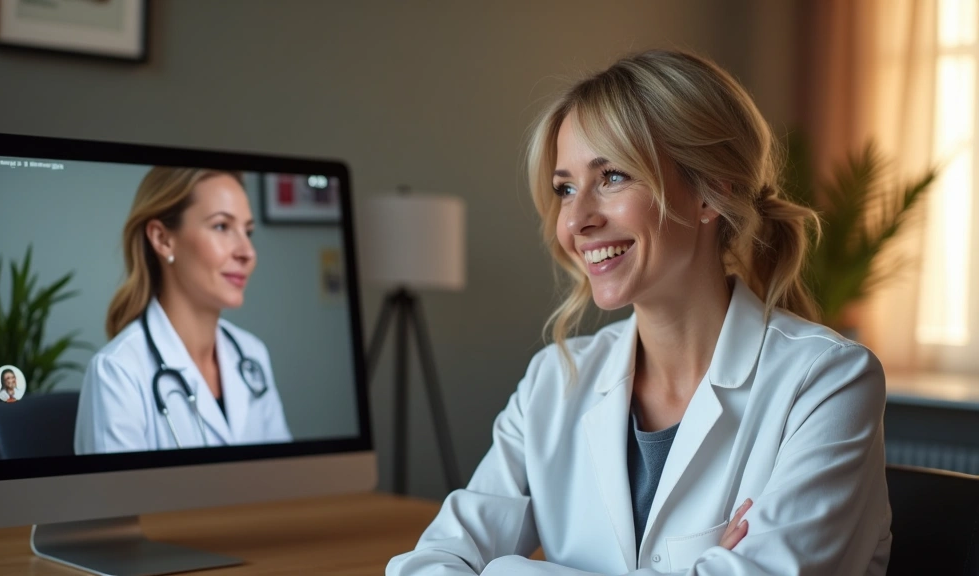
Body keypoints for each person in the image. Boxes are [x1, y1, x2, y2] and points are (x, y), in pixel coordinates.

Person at [387, 50, 890, 575]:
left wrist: (505, 571)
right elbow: (431, 561)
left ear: (711, 192)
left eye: (613, 177)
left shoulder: (829, 383)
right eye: (566, 188)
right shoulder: (554, 382)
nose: (576, 220)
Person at [75, 167, 293, 454]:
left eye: (248, 231)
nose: (247, 252)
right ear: (163, 239)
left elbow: (285, 480)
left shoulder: (252, 354)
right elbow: (116, 498)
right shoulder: (117, 372)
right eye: (221, 226)